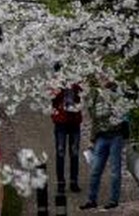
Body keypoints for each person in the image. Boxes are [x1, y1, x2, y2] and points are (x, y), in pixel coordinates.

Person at [81, 79, 129, 211]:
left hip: (115, 136)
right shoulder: (96, 98)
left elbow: (124, 118)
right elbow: (94, 120)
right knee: (95, 170)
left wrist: (125, 136)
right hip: (101, 136)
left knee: (114, 170)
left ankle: (113, 199)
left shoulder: (118, 98)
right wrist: (92, 139)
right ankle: (92, 199)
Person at [49, 63, 84, 193]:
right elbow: (52, 98)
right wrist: (60, 86)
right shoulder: (55, 82)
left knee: (74, 152)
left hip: (74, 120)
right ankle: (60, 183)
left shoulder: (77, 81)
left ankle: (74, 182)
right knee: (60, 151)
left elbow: (82, 94)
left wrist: (73, 84)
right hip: (61, 122)